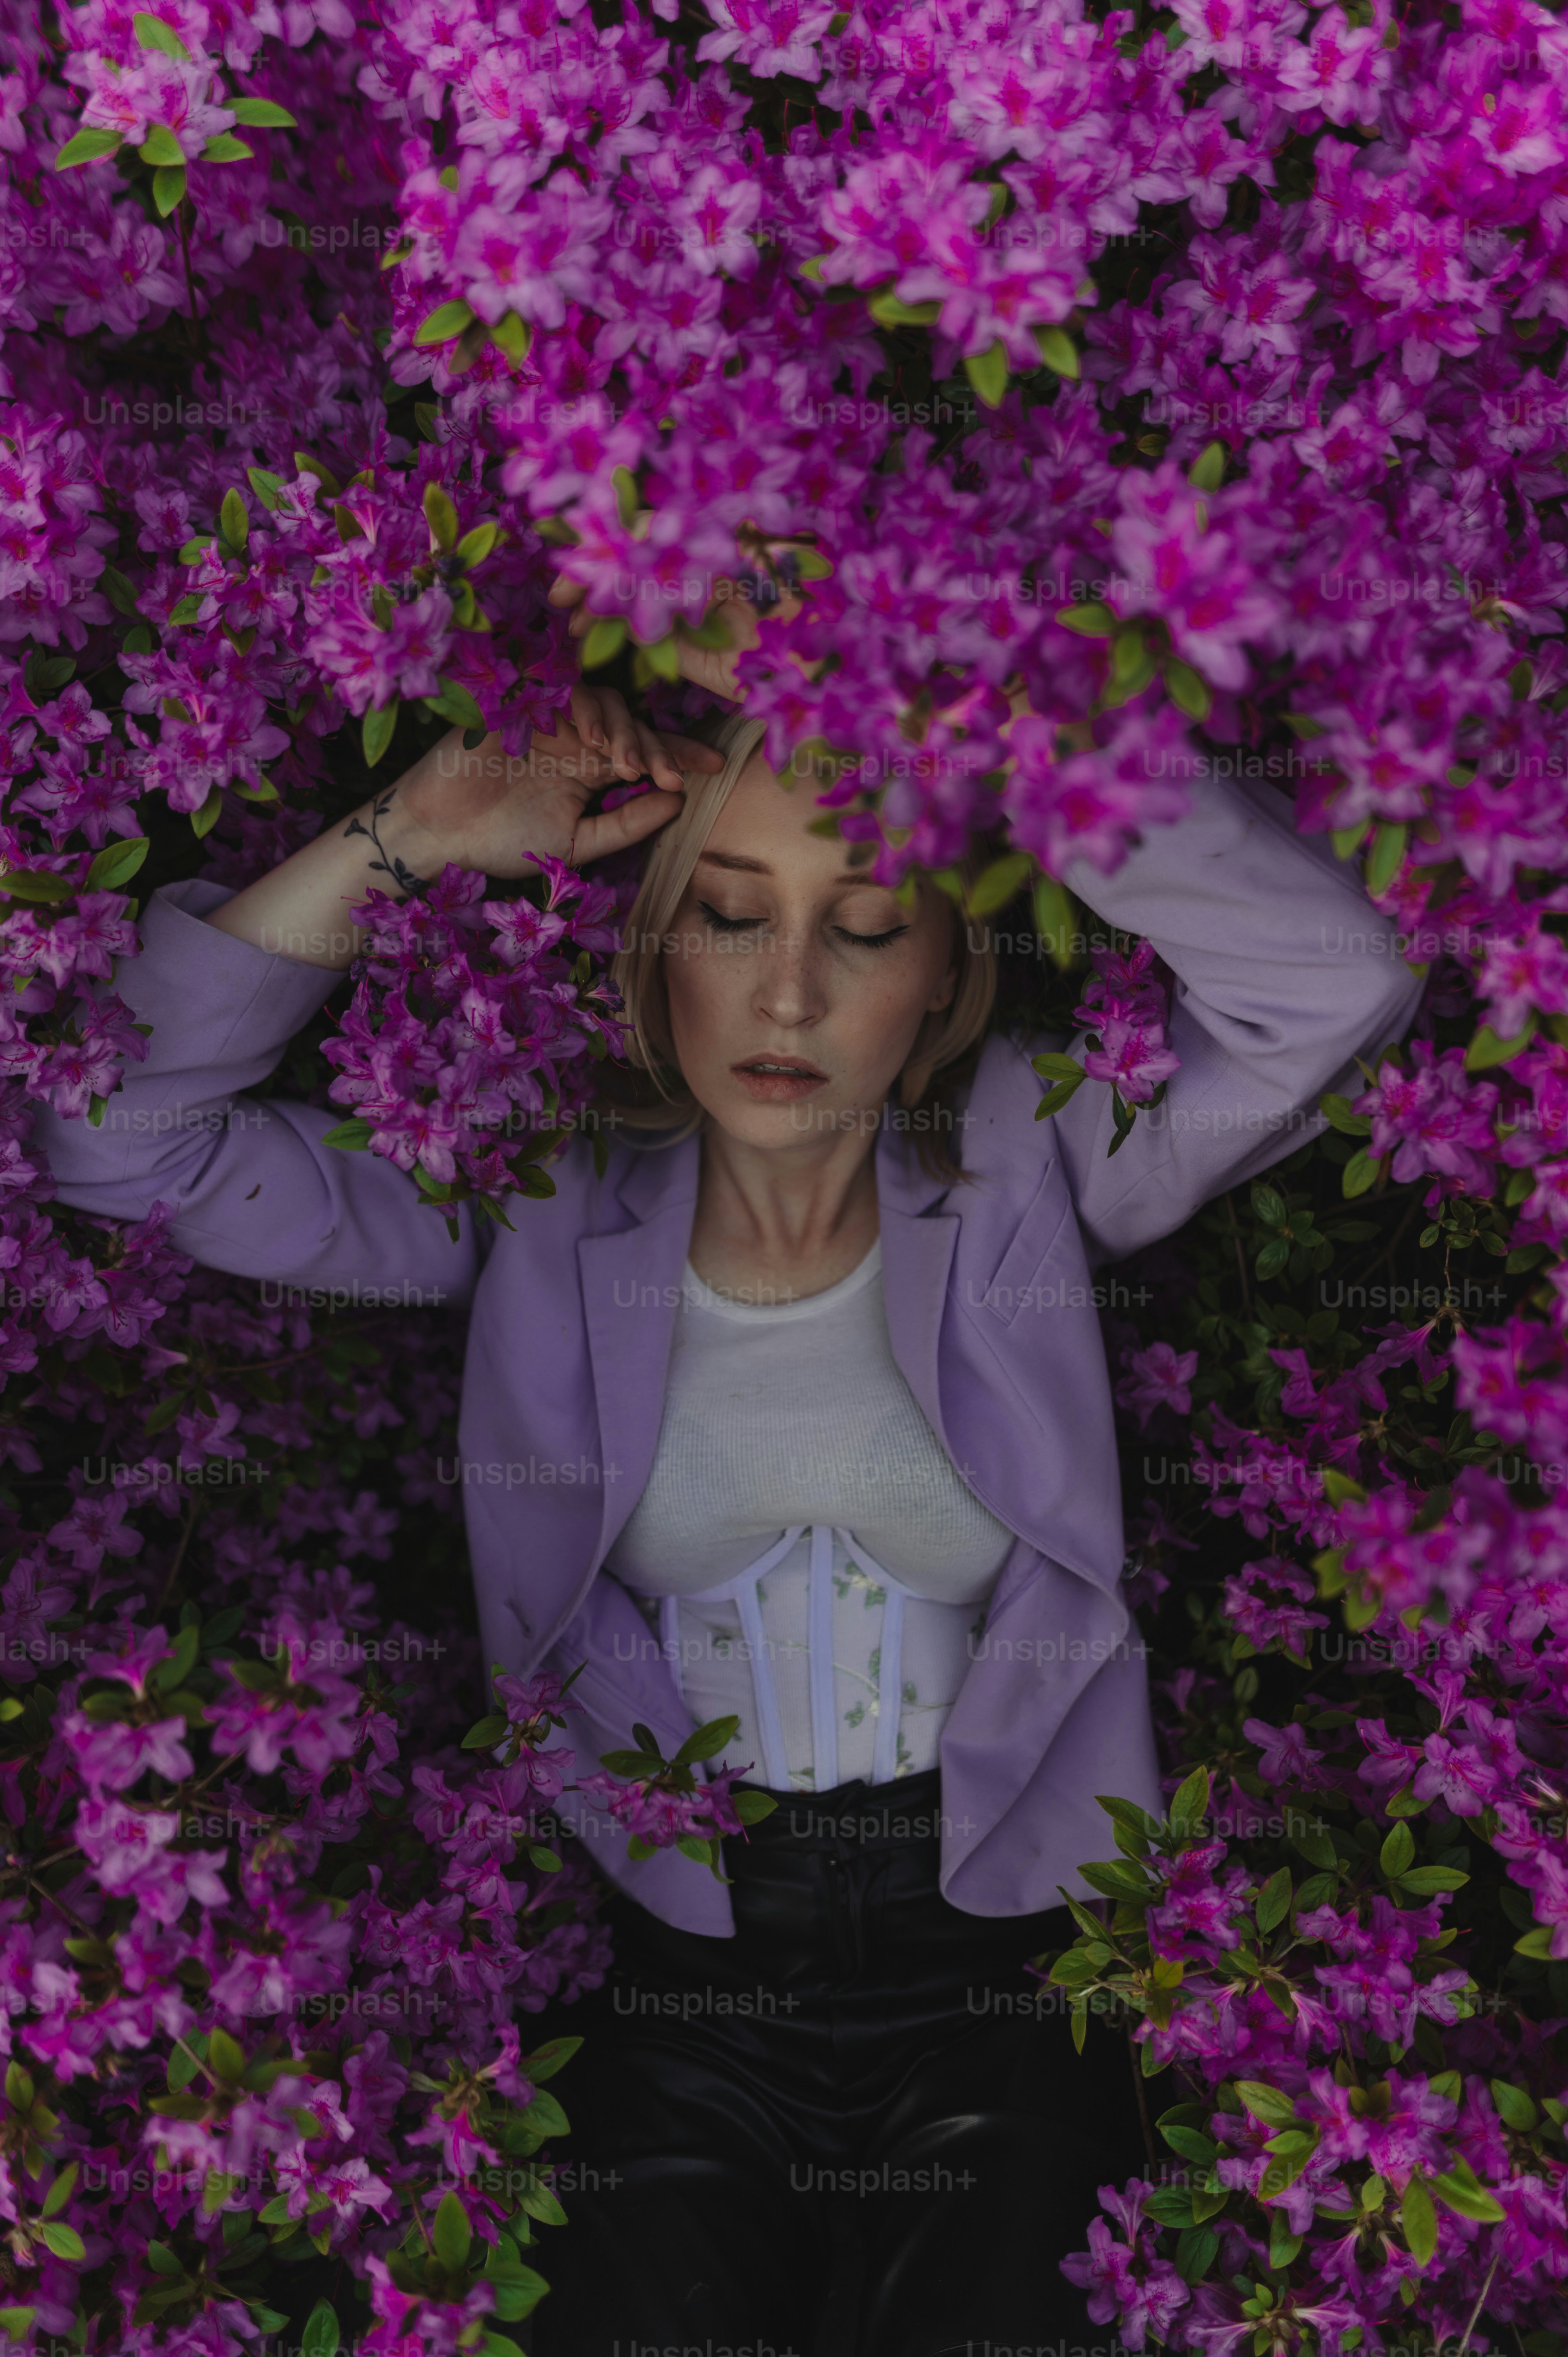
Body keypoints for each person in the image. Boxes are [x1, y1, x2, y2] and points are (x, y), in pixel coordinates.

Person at [35, 594, 1423, 2357]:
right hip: (674, 1972)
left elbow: (1335, 981)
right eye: (729, 911)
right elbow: (118, 1137)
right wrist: (409, 834)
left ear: (946, 972)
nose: (787, 992)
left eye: (866, 924)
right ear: (654, 937)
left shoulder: (1037, 1161)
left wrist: (967, 722)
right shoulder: (533, 1199)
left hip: (1011, 1963)